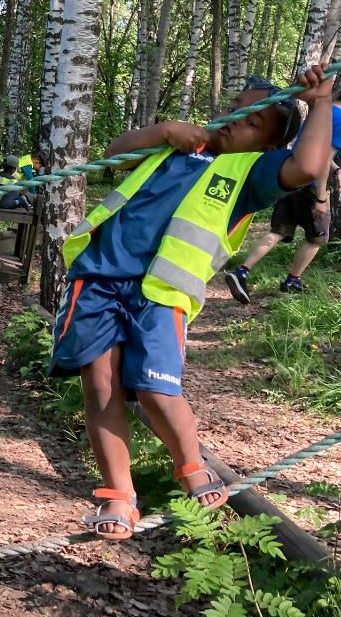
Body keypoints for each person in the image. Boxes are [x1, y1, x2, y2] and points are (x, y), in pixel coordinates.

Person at [49, 67, 333, 541]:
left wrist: (321, 101)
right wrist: (162, 131)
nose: (233, 118)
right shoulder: (177, 145)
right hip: (99, 276)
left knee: (158, 390)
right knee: (100, 387)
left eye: (250, 120)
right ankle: (118, 496)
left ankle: (191, 463)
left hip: (164, 293)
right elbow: (112, 154)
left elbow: (306, 166)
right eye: (232, 108)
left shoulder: (251, 174)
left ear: (266, 145)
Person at [224, 84, 341, 302]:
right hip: (310, 183)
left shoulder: (323, 113)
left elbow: (311, 148)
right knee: (318, 237)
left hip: (288, 176)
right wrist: (322, 197)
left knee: (279, 231)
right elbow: (322, 160)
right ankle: (292, 280)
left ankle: (241, 271)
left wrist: (337, 168)